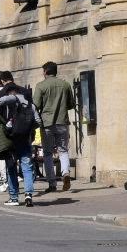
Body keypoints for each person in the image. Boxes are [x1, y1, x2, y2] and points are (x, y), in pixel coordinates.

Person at [0, 79, 37, 207]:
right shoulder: (30, 104)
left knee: (11, 168)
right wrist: (28, 129)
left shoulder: (12, 99)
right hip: (25, 139)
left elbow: (5, 100)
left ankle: (14, 197)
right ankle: (28, 195)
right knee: (26, 167)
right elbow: (38, 121)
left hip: (11, 138)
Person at [34, 61, 76, 193]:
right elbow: (71, 104)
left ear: (45, 72)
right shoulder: (65, 84)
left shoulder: (41, 86)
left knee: (47, 153)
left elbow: (35, 105)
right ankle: (65, 173)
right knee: (63, 151)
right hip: (62, 122)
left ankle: (52, 183)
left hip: (46, 123)